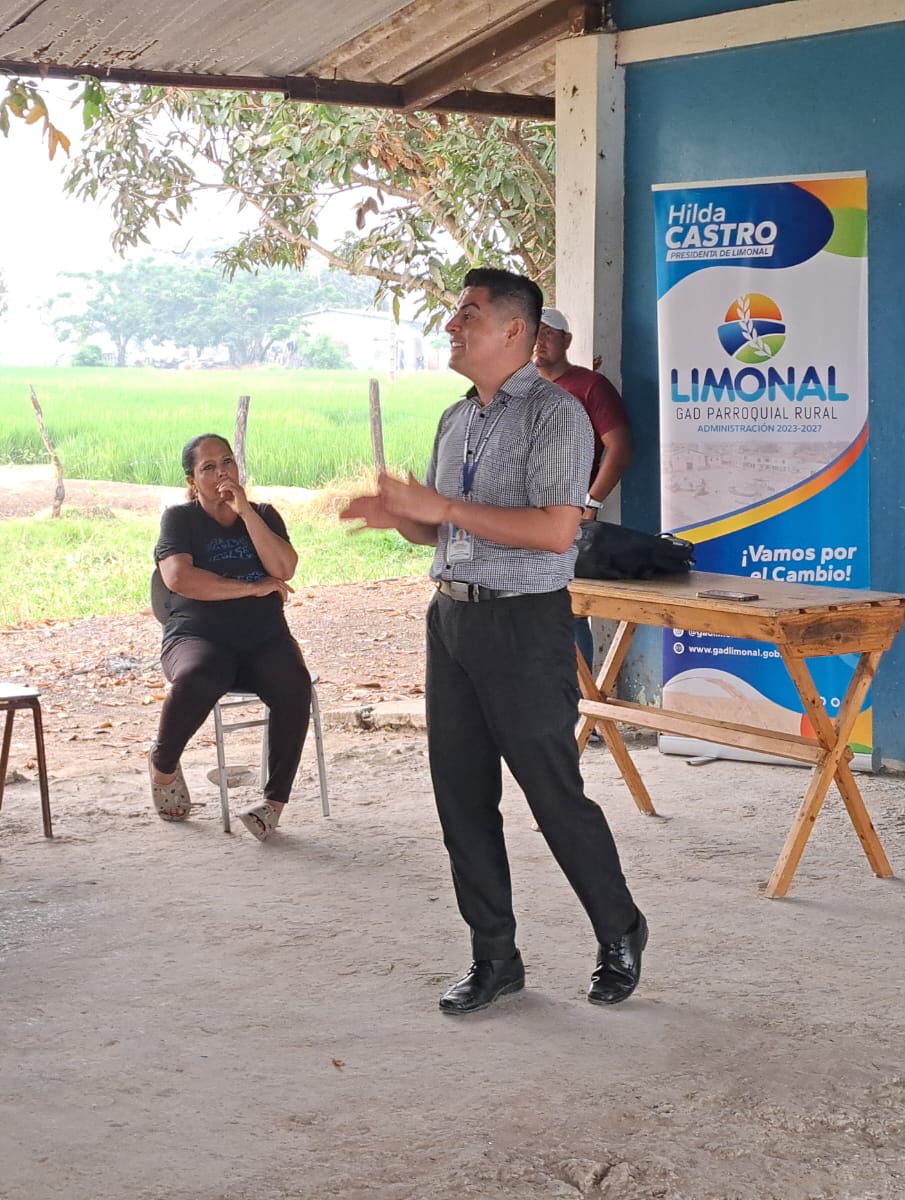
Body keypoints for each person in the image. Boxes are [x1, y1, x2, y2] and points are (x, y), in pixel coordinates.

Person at [341, 268, 647, 1013]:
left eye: (468, 314)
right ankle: (495, 956)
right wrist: (404, 517)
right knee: (461, 796)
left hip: (523, 623)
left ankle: (619, 927)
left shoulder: (557, 416)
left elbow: (555, 531)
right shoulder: (457, 420)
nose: (452, 326)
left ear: (514, 330)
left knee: (551, 793)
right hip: (451, 620)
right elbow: (443, 531)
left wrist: (442, 506)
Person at [149, 433, 311, 842]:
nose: (222, 473)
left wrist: (246, 514)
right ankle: (163, 765)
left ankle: (272, 805)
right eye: (208, 467)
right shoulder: (180, 520)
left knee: (294, 684)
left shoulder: (264, 514)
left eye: (227, 462)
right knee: (203, 673)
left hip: (263, 636)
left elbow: (284, 568)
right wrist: (251, 587)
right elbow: (179, 578)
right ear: (192, 480)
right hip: (196, 633)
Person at [534, 307, 634, 672]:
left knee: (571, 608)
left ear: (567, 340)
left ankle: (578, 698)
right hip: (523, 517)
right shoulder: (519, 388)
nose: (539, 341)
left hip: (568, 517)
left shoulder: (590, 386)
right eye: (533, 332)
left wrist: (591, 502)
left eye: (548, 333)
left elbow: (620, 447)